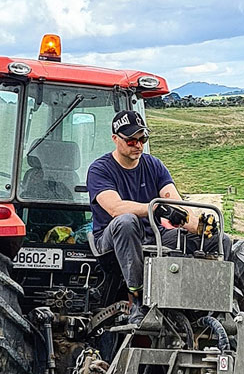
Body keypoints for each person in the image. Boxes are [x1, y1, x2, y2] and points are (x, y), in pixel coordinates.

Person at [87, 109, 230, 321]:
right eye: (131, 140)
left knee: (219, 240)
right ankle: (136, 299)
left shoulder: (154, 165)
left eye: (142, 138)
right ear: (115, 139)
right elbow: (115, 209)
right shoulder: (100, 169)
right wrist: (154, 209)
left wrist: (197, 225)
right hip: (111, 244)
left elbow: (175, 202)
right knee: (126, 222)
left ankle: (210, 307)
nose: (138, 145)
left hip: (153, 236)